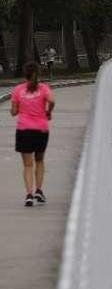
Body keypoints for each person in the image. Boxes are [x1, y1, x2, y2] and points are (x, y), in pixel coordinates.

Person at [10, 62, 55, 207]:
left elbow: (14, 112)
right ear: (38, 74)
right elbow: (52, 100)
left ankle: (29, 194)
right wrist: (48, 111)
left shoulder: (18, 90)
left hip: (24, 130)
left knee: (28, 165)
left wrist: (16, 110)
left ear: (25, 75)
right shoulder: (44, 89)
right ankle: (39, 190)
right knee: (40, 161)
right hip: (41, 129)